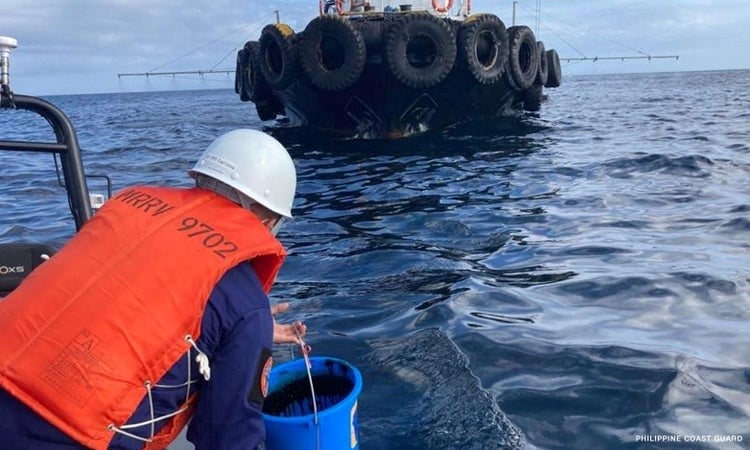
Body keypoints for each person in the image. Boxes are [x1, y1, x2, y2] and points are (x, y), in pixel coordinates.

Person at [0, 129, 306, 450]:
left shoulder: (126, 212)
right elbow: (228, 437)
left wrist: (241, 330)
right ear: (270, 220)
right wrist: (246, 325)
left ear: (200, 179)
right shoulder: (245, 302)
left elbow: (123, 299)